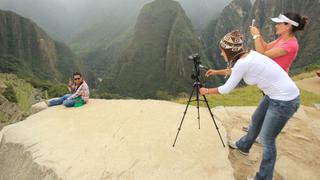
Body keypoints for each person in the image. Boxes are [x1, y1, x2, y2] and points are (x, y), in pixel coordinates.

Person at [199, 30, 300, 180]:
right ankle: (244, 146)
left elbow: (225, 89)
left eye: (222, 51)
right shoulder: (249, 55)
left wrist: (206, 90)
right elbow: (237, 71)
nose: (221, 54)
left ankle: (264, 177)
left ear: (229, 51)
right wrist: (217, 72)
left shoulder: (243, 62)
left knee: (267, 139)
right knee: (256, 119)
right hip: (274, 96)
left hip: (285, 101)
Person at [242, 12, 308, 135]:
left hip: (276, 83)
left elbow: (263, 54)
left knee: (267, 109)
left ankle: (257, 133)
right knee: (263, 108)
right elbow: (266, 47)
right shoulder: (283, 39)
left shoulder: (290, 45)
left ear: (288, 26)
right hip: (270, 79)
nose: (276, 26)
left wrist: (256, 36)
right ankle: (254, 130)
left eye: (279, 23)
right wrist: (259, 36)